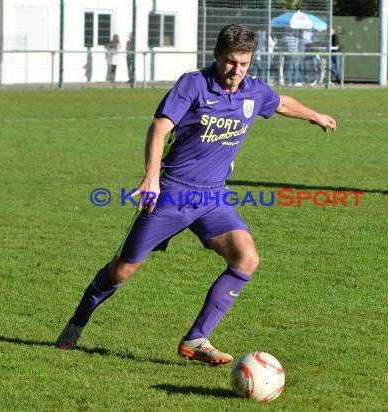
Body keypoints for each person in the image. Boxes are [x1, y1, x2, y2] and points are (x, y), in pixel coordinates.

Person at [55, 24, 336, 365]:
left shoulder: (253, 91)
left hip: (212, 197)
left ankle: (196, 338)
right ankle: (78, 319)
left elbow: (281, 103)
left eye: (244, 64)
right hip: (171, 192)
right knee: (122, 271)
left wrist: (315, 116)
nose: (237, 71)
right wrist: (151, 177)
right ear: (217, 55)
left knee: (247, 258)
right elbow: (159, 127)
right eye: (231, 62)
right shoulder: (194, 84)